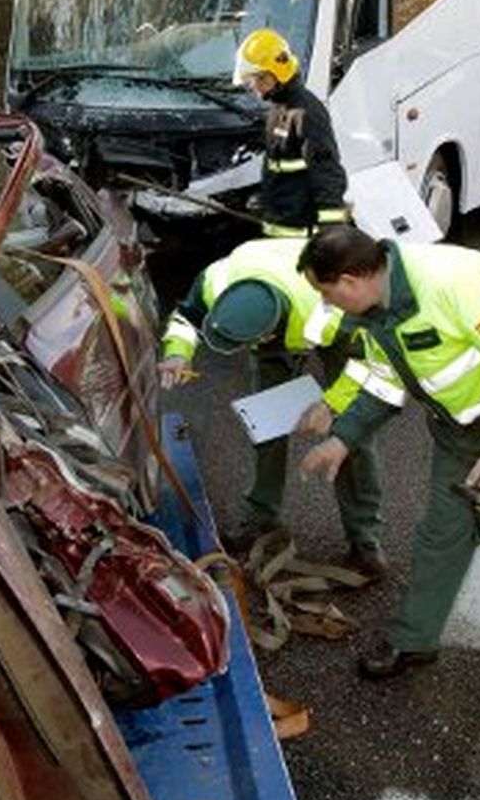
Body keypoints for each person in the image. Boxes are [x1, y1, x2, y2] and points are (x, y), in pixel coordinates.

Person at [295, 225, 480, 698]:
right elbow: (386, 383)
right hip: (458, 429)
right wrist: (342, 439)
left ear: (349, 281)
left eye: (325, 294)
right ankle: (414, 639)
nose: (326, 306)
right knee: (441, 534)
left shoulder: (459, 280)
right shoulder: (375, 312)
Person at [160, 237, 385, 574]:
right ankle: (262, 513)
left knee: (353, 436)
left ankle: (364, 537)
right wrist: (177, 352)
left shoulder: (335, 309)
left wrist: (332, 405)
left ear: (269, 333)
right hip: (279, 313)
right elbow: (185, 318)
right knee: (267, 421)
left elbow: (366, 367)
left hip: (333, 334)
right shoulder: (217, 282)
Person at [232, 28, 351, 238]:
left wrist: (332, 229)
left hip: (299, 235)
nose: (255, 88)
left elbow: (326, 170)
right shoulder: (278, 108)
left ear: (276, 74)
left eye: (259, 80)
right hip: (279, 228)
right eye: (251, 81)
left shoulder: (307, 113)